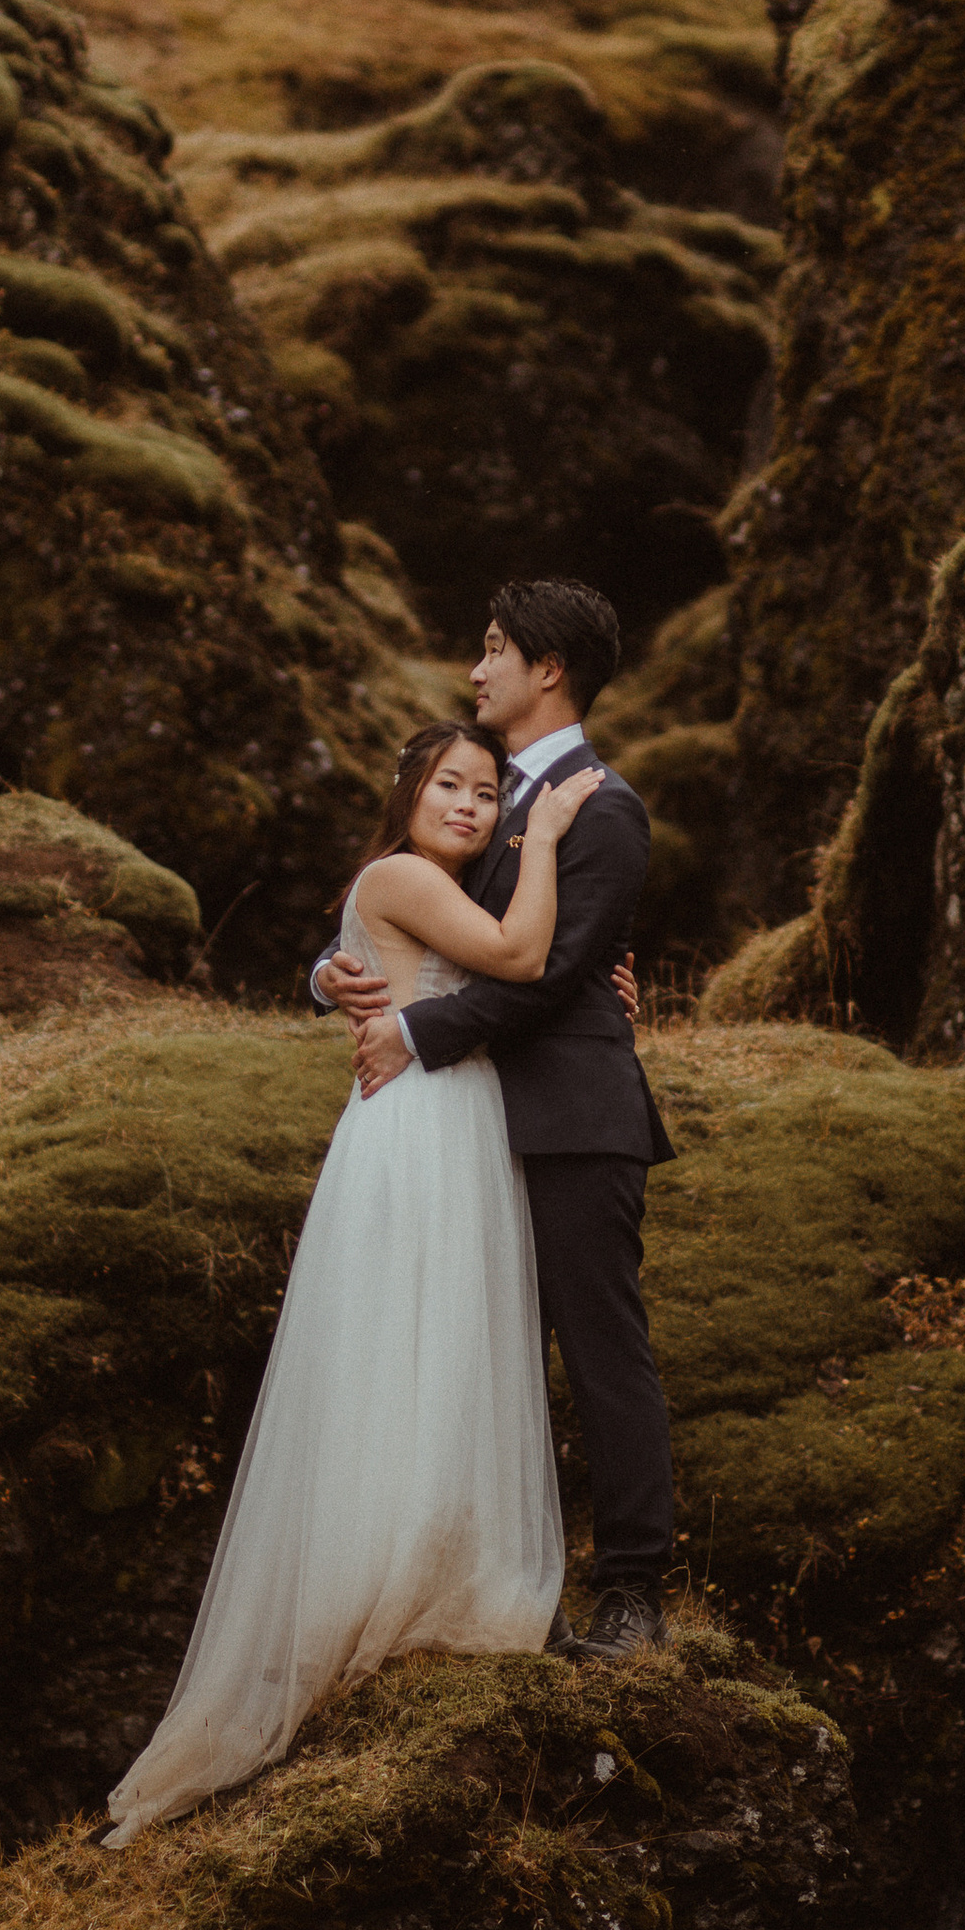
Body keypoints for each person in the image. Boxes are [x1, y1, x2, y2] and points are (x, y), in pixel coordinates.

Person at [101, 722, 597, 1843]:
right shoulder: (405, 875)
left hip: (453, 1115)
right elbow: (518, 958)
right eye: (448, 785)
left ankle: (428, 1561)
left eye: (487, 793)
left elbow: (397, 965)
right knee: (415, 1335)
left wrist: (330, 979)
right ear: (408, 792)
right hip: (423, 1124)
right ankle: (395, 1581)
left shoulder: (422, 884)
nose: (469, 805)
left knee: (442, 1338)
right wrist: (548, 833)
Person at [323, 576, 677, 1665]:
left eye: (492, 650)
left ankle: (634, 1593)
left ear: (547, 668)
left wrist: (416, 1032)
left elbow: (552, 975)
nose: (475, 671)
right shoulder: (484, 793)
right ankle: (495, 1585)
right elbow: (413, 906)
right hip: (469, 1127)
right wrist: (332, 975)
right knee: (476, 1354)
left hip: (570, 1117)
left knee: (600, 1352)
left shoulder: (602, 806)